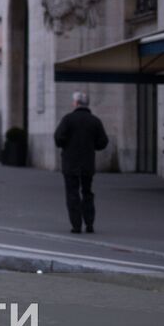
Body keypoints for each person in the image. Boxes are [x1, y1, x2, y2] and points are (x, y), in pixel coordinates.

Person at [53, 91, 109, 234]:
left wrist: (66, 144)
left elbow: (58, 138)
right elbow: (103, 142)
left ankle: (76, 225)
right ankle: (89, 223)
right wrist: (92, 146)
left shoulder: (68, 119)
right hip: (87, 163)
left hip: (70, 163)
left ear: (76, 103)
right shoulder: (95, 121)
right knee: (87, 192)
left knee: (72, 193)